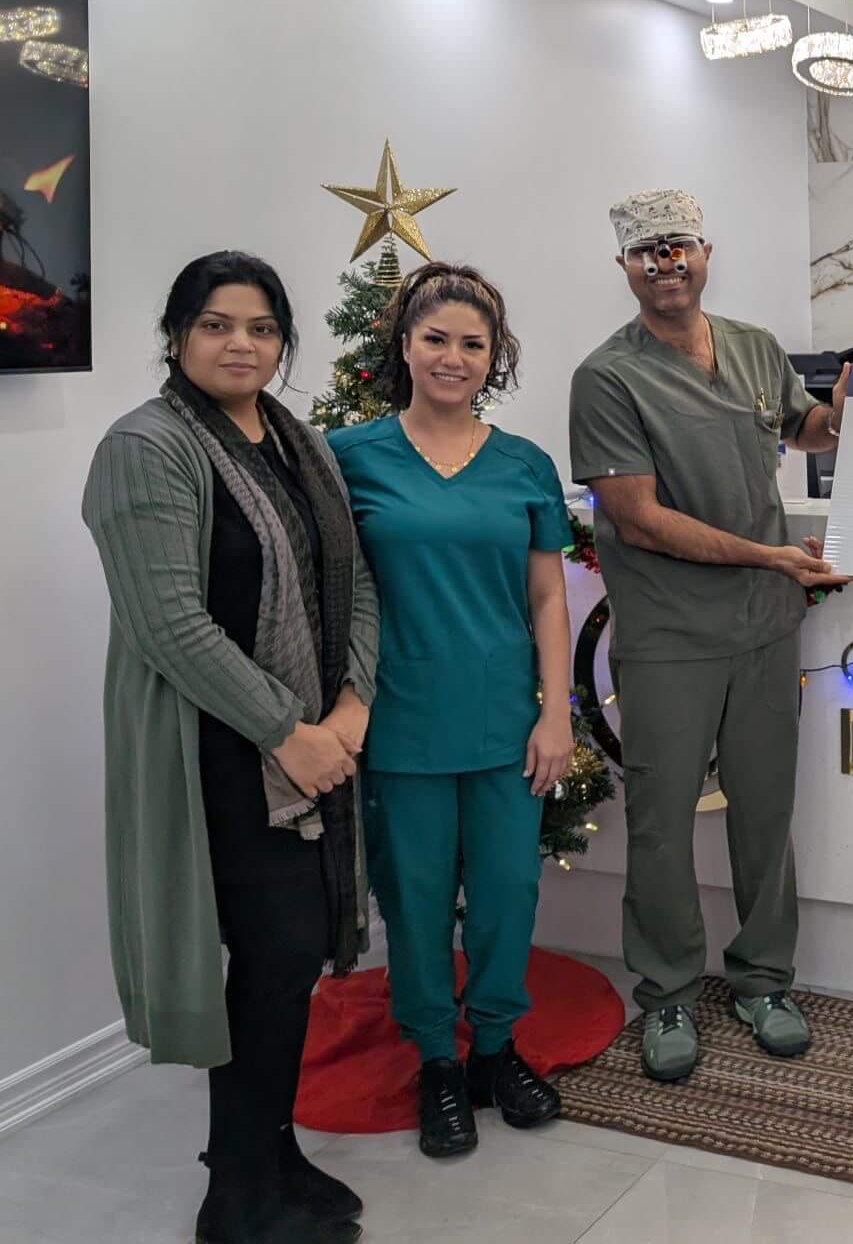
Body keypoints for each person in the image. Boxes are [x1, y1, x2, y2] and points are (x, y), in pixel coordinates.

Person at [83, 253, 375, 1244]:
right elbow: (168, 622)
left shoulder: (299, 445)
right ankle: (238, 1196)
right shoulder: (147, 447)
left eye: (260, 327)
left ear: (283, 344)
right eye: (216, 324)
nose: (240, 343)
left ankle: (266, 1150)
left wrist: (350, 706)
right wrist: (288, 732)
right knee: (270, 956)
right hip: (214, 749)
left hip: (307, 743)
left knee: (285, 963)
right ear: (175, 336)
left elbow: (355, 580)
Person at [569, 188, 853, 1083]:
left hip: (764, 630)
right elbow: (639, 519)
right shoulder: (607, 378)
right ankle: (665, 996)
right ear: (623, 267)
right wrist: (771, 557)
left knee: (767, 813)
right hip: (668, 635)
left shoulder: (755, 348)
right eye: (646, 251)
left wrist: (847, 410)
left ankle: (764, 979)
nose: (666, 264)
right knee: (659, 825)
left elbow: (800, 425)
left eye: (679, 246)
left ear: (705, 252)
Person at [328, 262, 574, 1159]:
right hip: (400, 722)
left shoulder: (524, 464)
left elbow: (549, 598)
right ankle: (437, 1060)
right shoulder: (350, 455)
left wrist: (556, 713)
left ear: (493, 358)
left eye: (473, 344)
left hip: (507, 719)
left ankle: (496, 1050)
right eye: (436, 339)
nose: (453, 357)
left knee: (508, 893)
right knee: (418, 897)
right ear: (404, 347)